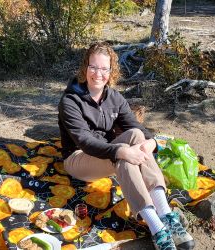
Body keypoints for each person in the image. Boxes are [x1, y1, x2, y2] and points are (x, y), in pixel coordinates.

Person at [58, 42, 194, 250]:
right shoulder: (70, 101)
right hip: (78, 158)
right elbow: (85, 141)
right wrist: (120, 150)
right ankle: (158, 226)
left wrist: (151, 143)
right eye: (93, 67)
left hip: (107, 153)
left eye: (104, 68)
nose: (98, 74)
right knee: (124, 156)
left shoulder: (114, 97)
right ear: (85, 68)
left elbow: (134, 126)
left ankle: (164, 218)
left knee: (137, 135)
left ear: (111, 71)